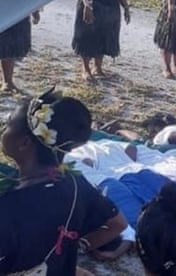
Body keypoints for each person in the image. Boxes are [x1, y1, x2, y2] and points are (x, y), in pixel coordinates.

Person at [0, 88, 127, 275]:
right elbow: (117, 224)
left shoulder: (8, 204)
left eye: (8, 124)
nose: (3, 129)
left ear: (24, 143)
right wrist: (72, 251)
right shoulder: (76, 184)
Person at [72, 0, 131, 81]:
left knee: (104, 38)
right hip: (93, 5)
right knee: (87, 38)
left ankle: (97, 67)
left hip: (109, 7)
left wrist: (126, 7)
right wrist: (87, 6)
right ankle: (85, 69)